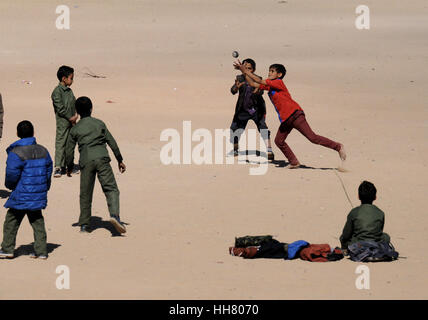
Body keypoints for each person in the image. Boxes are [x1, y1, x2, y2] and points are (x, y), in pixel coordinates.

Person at [234, 61, 346, 168]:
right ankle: (294, 162)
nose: (269, 73)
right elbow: (253, 83)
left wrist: (245, 70)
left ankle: (338, 146)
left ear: (279, 74)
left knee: (312, 138)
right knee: (279, 141)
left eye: (272, 71)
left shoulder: (278, 82)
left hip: (295, 115)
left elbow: (260, 81)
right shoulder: (270, 86)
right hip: (286, 120)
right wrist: (243, 72)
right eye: (269, 71)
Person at [65, 96, 127, 234]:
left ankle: (84, 225)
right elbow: (112, 142)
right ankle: (115, 215)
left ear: (77, 112)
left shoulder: (75, 129)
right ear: (91, 109)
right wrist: (119, 159)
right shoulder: (99, 123)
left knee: (85, 193)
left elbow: (69, 151)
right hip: (102, 158)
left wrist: (69, 167)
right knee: (111, 188)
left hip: (86, 161)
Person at [0, 121, 53, 259]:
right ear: (33, 132)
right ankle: (41, 251)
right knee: (37, 221)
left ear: (17, 134)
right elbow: (48, 170)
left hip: (21, 193)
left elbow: (11, 174)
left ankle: (7, 248)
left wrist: (10, 186)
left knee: (11, 221)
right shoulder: (43, 150)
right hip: (36, 194)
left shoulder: (16, 152)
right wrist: (45, 187)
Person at [230, 58, 274, 160]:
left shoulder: (258, 78)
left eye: (249, 68)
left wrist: (257, 91)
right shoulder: (240, 78)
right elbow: (232, 91)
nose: (247, 70)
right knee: (234, 129)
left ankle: (269, 150)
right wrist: (236, 87)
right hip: (243, 109)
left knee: (263, 128)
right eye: (245, 68)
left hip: (256, 110)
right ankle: (235, 148)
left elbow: (261, 92)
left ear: (253, 70)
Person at [339, 181, 391, 253]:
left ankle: (345, 250)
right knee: (386, 237)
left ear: (358, 196)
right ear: (375, 197)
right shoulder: (380, 213)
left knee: (343, 238)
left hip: (358, 244)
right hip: (375, 243)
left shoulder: (354, 212)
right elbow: (379, 231)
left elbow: (346, 234)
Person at [51, 65, 79, 177]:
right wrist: (70, 117)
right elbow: (60, 108)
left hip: (72, 122)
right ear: (64, 78)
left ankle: (68, 165)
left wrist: (76, 114)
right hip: (62, 123)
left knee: (70, 144)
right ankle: (58, 166)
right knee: (60, 143)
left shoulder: (70, 91)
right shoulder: (57, 92)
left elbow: (74, 103)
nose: (72, 80)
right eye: (71, 78)